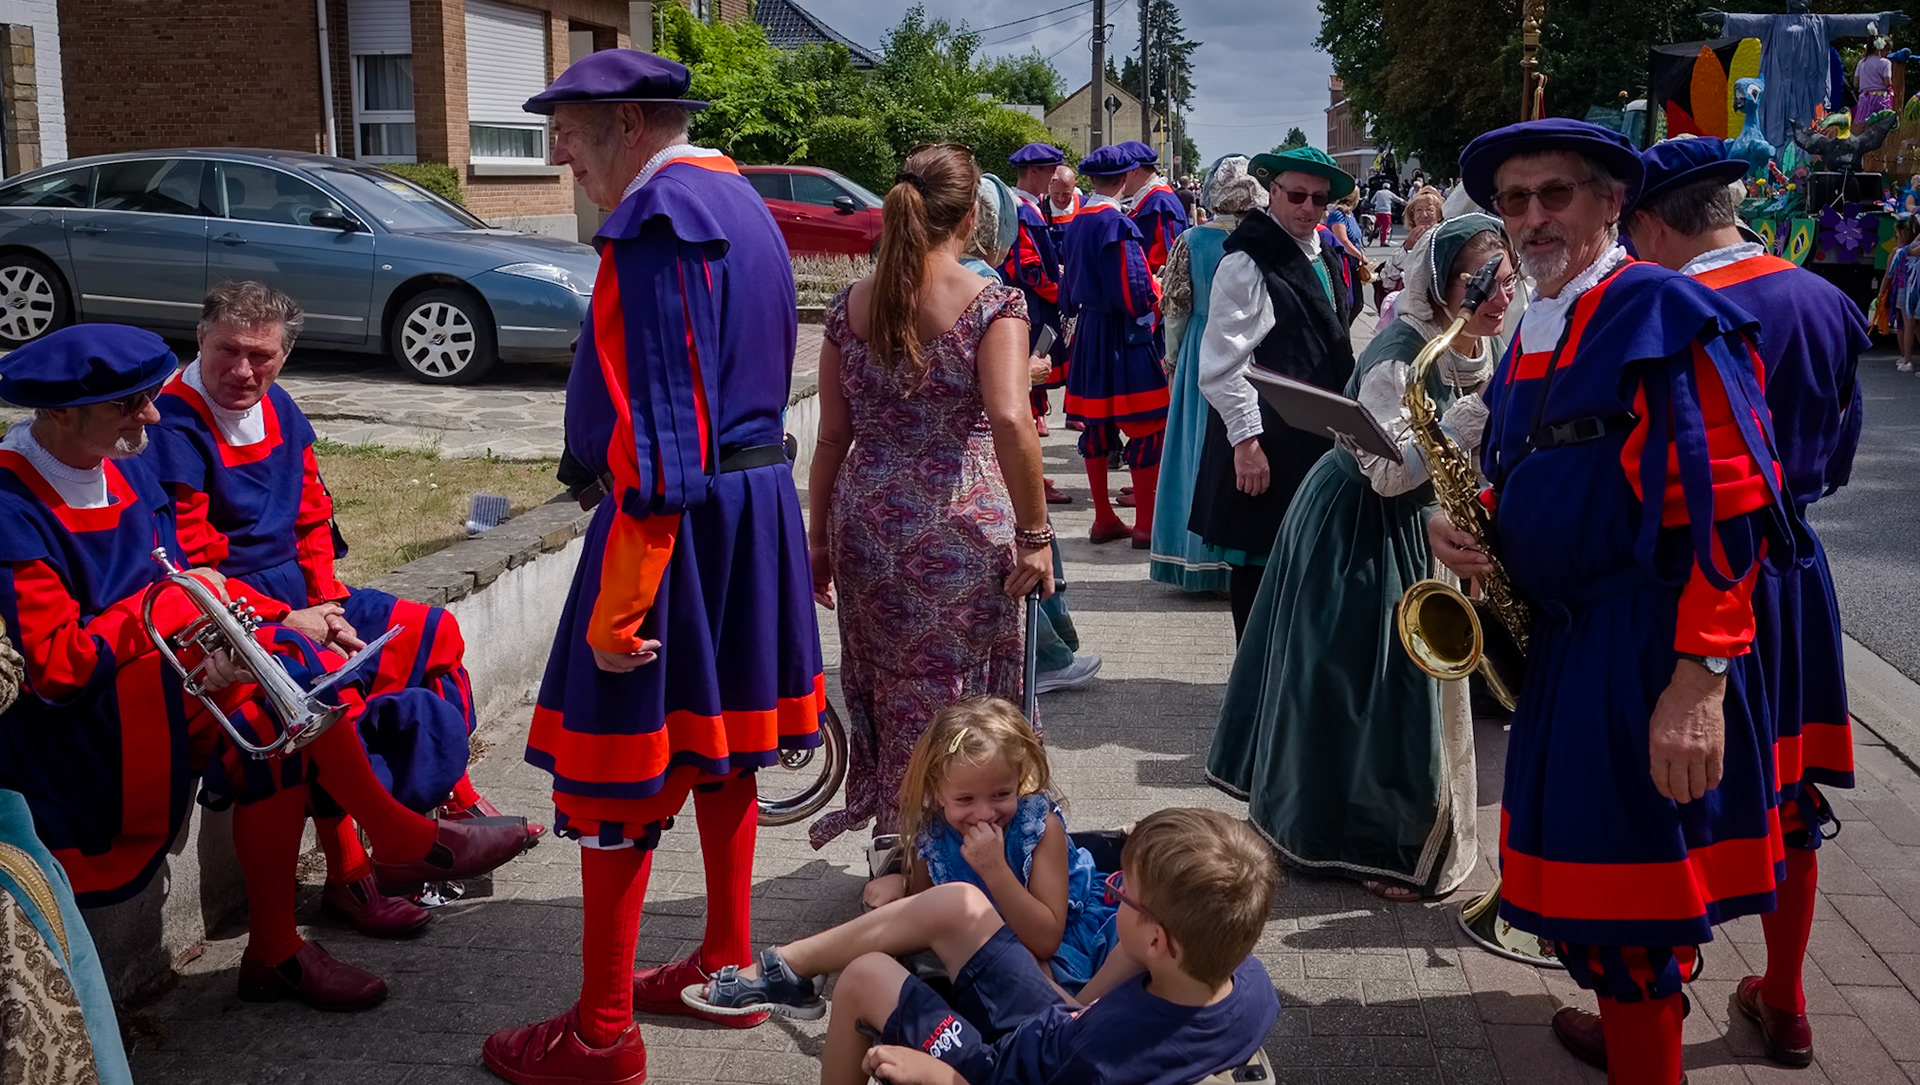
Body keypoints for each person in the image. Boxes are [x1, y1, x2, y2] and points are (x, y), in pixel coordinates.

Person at [0, 325, 531, 1015]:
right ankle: (388, 845)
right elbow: (58, 668)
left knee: (283, 693)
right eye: (129, 405)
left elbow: (187, 576)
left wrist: (251, 625)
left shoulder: (123, 461)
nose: (151, 416)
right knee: (273, 696)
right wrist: (174, 612)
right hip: (86, 720)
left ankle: (282, 946)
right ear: (60, 412)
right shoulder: (12, 504)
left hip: (164, 669)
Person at [483, 51, 829, 1084]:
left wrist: (626, 590)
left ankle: (602, 1032)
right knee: (720, 749)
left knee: (619, 767)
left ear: (629, 122)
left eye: (569, 131)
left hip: (676, 522)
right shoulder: (738, 199)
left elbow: (664, 423)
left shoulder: (659, 216)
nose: (560, 153)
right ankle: (724, 964)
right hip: (746, 507)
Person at [1435, 118, 1793, 1085]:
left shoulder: (1661, 309)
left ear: (1610, 202)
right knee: (1609, 914)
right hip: (1573, 643)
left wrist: (1699, 682)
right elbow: (1544, 461)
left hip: (1643, 650)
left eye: (1556, 194)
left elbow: (1731, 514)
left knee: (1632, 919)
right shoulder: (1541, 319)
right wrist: (1474, 521)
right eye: (1515, 200)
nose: (1533, 217)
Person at [1543, 136, 1871, 1073]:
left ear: (1647, 221)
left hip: (1698, 583)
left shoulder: (1665, 311)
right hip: (1796, 576)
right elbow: (1841, 450)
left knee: (1664, 815)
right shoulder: (1826, 297)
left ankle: (1650, 1005)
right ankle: (1788, 999)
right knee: (1791, 793)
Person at [143, 280, 538, 939]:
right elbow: (194, 562)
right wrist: (291, 616)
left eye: (261, 356)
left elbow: (311, 514)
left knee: (432, 633)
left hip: (304, 595)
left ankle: (447, 798)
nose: (243, 370)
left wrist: (326, 598)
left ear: (285, 355)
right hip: (230, 612)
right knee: (326, 686)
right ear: (200, 339)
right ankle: (354, 873)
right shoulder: (175, 424)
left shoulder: (279, 406)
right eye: (228, 351)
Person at [1210, 215, 1512, 901]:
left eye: (1505, 281)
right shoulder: (1399, 355)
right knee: (1358, 686)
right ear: (1443, 286)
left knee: (1395, 690)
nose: (1498, 297)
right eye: (1480, 284)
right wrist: (1466, 423)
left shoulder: (1478, 343)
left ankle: (1397, 835)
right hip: (1356, 527)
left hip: (1422, 524)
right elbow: (1389, 473)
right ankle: (1357, 840)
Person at [805, 142, 1053, 854]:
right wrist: (1036, 536)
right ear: (971, 217)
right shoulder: (993, 303)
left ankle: (899, 837)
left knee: (888, 682)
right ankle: (960, 851)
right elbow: (1011, 419)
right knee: (963, 694)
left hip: (866, 523)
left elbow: (832, 438)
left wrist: (817, 540)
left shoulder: (850, 305)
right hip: (958, 524)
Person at [687, 807, 1280, 1085]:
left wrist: (941, 1078)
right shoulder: (1248, 983)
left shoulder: (1102, 1059)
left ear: (1158, 939)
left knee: (866, 975)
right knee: (959, 905)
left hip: (996, 1071)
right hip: (1059, 1025)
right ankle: (788, 969)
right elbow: (1108, 988)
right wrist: (1065, 1000)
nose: (1110, 889)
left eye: (1122, 890)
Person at [1191, 147, 1357, 639]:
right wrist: (1246, 442)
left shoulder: (1322, 250)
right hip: (1266, 436)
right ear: (1273, 193)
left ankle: (1294, 678)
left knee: (1308, 566)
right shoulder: (1247, 260)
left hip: (1312, 436)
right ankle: (1254, 680)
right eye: (1297, 195)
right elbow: (1224, 365)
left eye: (1319, 200)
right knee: (1261, 567)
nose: (1308, 208)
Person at [861, 697, 1118, 988]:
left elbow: (1046, 941)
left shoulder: (1039, 831)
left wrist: (995, 870)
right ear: (938, 792)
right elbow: (926, 913)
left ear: (1018, 780)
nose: (984, 813)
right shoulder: (935, 836)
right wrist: (902, 885)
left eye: (1001, 795)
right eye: (965, 799)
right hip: (993, 945)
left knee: (1027, 969)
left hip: (1064, 940)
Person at [1149, 156, 1264, 595]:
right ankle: (1239, 558)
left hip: (1202, 346)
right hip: (1252, 349)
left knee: (1196, 445)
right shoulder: (1264, 238)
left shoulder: (1192, 240)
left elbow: (1175, 308)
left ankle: (1194, 557)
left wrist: (1172, 360)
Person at [1059, 144, 1170, 547]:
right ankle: (1145, 524)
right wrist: (1157, 293)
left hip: (1089, 332)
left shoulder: (1075, 222)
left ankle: (1104, 519)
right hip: (1124, 335)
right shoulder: (1118, 224)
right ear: (1125, 178)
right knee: (1147, 426)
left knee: (1096, 427)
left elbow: (1066, 288)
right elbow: (1136, 291)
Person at [1006, 143, 1073, 500]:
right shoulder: (1024, 211)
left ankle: (1032, 477)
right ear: (1034, 171)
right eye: (1049, 171)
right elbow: (1027, 269)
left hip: (1030, 310)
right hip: (1030, 312)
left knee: (1030, 400)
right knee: (1026, 400)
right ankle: (1029, 481)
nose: (1053, 177)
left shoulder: (1026, 207)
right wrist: (1059, 291)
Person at [1119, 140, 1190, 275]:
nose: (1116, 179)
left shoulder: (1160, 204)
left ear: (1134, 170)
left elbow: (1163, 263)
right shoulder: (1153, 198)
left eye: (1119, 172)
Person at [1376, 187, 1445, 316]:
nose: (1424, 215)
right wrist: (1407, 248)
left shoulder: (1443, 238)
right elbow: (1387, 281)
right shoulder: (1409, 241)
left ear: (1439, 215)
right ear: (1412, 216)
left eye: (1430, 210)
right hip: (1407, 310)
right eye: (1419, 210)